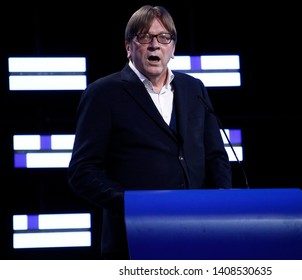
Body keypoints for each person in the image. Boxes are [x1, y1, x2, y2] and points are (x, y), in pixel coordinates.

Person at [67, 5, 232, 259]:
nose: (155, 45)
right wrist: (132, 205)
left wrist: (220, 203)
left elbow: (216, 157)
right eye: (145, 36)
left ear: (173, 48)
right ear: (128, 47)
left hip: (197, 235)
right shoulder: (103, 94)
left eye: (164, 37)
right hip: (134, 239)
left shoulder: (194, 89)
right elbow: (82, 171)